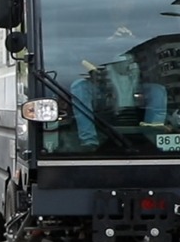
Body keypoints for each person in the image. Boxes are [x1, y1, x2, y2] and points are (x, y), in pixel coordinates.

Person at [68, 8, 168, 149]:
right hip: (103, 91)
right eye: (116, 9)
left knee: (158, 90)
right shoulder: (94, 33)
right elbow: (82, 63)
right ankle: (89, 142)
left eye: (125, 8)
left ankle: (153, 138)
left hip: (137, 91)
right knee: (79, 86)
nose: (121, 12)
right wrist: (108, 45)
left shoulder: (144, 35)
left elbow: (152, 71)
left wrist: (135, 44)